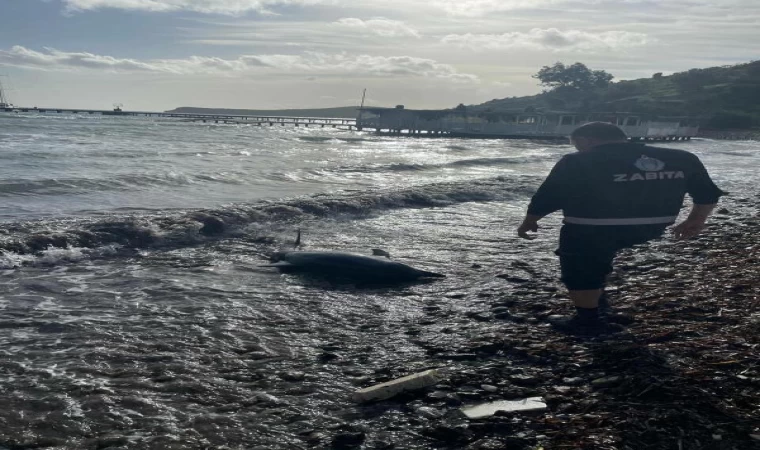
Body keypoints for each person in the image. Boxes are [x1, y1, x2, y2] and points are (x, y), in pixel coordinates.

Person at [516, 122, 724, 335]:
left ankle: (587, 321)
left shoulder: (577, 161)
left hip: (591, 226)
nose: (577, 148)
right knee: (603, 252)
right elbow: (707, 194)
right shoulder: (681, 158)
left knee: (581, 265)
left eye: (576, 144)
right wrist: (696, 220)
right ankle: (598, 298)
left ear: (584, 140)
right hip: (652, 227)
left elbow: (548, 196)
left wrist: (530, 221)